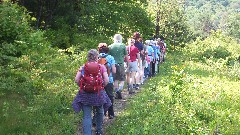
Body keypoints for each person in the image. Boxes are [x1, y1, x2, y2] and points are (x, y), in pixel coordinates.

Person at [72, 49, 111, 135]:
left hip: (85, 94)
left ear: (88, 57)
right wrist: (101, 87)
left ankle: (87, 133)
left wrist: (82, 86)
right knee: (100, 111)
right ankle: (99, 130)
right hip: (98, 94)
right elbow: (107, 80)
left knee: (87, 116)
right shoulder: (101, 67)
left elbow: (76, 79)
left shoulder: (83, 67)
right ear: (97, 57)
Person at [97, 43, 116, 119]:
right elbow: (114, 71)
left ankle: (99, 115)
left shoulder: (96, 57)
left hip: (98, 81)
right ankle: (111, 114)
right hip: (109, 80)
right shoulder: (110, 57)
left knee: (99, 97)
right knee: (110, 96)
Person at [108, 34, 129, 99]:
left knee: (115, 80)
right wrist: (128, 64)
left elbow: (108, 57)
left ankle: (117, 91)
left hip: (113, 65)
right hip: (120, 64)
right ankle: (119, 90)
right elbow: (126, 56)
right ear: (121, 39)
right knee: (122, 79)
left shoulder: (110, 46)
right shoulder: (123, 46)